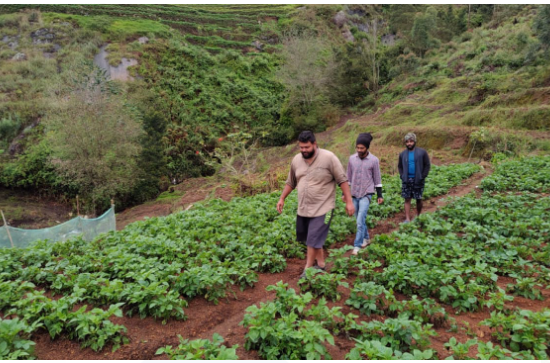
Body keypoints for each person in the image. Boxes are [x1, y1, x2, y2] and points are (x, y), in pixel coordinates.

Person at [277, 131, 355, 278]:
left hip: (324, 208)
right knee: (309, 237)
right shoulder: (296, 160)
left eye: (306, 147)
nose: (304, 150)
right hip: (304, 208)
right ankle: (321, 264)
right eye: (301, 147)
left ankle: (308, 269)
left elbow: (342, 180)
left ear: (314, 144)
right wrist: (282, 198)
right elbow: (291, 182)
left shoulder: (329, 158)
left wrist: (349, 201)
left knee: (313, 237)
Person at [346, 133, 384, 255]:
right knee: (359, 219)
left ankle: (357, 245)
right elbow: (348, 178)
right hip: (354, 193)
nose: (359, 150)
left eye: (362, 148)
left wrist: (379, 195)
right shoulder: (352, 159)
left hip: (367, 193)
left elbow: (377, 178)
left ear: (367, 148)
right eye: (357, 148)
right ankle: (366, 238)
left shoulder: (374, 160)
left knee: (360, 219)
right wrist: (345, 194)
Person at [398, 132, 431, 223]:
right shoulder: (402, 154)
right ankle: (407, 218)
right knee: (407, 198)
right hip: (406, 180)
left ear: (414, 141)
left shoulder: (422, 152)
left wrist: (423, 176)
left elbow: (427, 165)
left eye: (411, 141)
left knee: (418, 199)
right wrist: (402, 175)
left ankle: (418, 215)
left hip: (418, 179)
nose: (409, 143)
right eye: (407, 142)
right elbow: (400, 166)